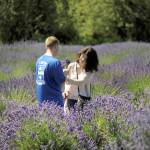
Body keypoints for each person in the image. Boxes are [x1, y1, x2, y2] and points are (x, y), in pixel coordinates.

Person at [63, 47, 99, 113]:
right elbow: (67, 75)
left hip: (83, 100)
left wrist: (65, 79)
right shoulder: (72, 65)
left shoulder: (89, 72)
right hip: (70, 98)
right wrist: (66, 91)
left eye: (85, 59)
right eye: (81, 56)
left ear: (90, 62)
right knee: (68, 120)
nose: (81, 59)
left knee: (82, 121)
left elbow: (80, 82)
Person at [36, 36, 65, 107]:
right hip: (54, 102)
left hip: (41, 101)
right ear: (55, 46)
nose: (59, 50)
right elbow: (61, 81)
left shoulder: (39, 60)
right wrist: (65, 74)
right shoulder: (55, 62)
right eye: (58, 47)